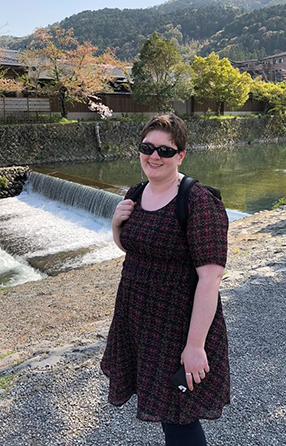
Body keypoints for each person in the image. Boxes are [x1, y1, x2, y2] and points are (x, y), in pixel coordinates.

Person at [101, 114, 230, 446]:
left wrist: (195, 346)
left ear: (181, 155)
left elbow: (210, 277)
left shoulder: (199, 201)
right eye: (147, 147)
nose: (154, 156)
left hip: (178, 328)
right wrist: (117, 228)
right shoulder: (136, 193)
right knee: (165, 411)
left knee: (179, 418)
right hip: (139, 324)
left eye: (165, 150)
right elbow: (136, 250)